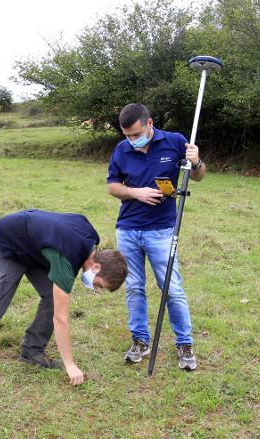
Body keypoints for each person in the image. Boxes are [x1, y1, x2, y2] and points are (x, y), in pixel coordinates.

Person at [0, 209, 128, 386]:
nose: (95, 288)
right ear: (97, 267)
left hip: (33, 249)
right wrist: (70, 365)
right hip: (7, 244)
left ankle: (32, 351)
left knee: (52, 299)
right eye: (99, 284)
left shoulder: (91, 240)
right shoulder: (66, 260)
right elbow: (61, 319)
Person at [107, 103, 206, 370]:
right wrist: (136, 192)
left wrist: (196, 162)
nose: (132, 140)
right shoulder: (121, 149)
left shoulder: (174, 142)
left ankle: (184, 343)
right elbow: (112, 186)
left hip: (161, 231)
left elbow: (197, 176)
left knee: (172, 289)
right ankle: (140, 340)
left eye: (136, 134)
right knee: (134, 288)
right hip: (127, 229)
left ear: (150, 124)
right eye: (127, 135)